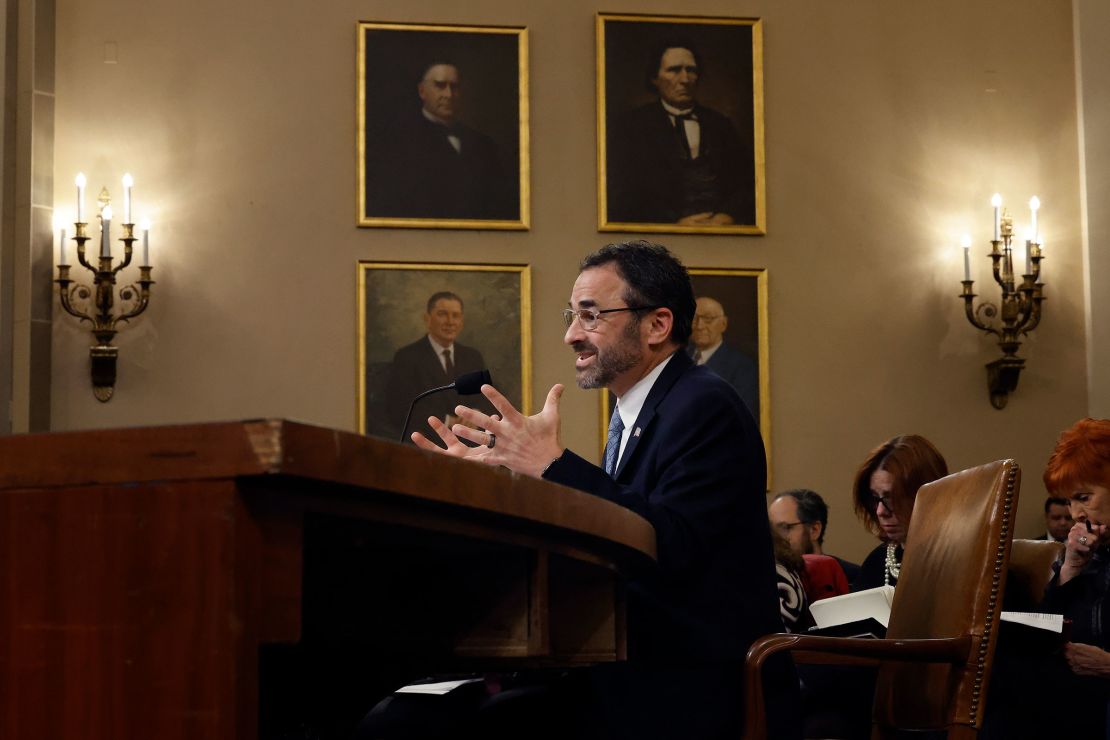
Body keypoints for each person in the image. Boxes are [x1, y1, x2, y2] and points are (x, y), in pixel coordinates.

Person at [406, 240, 798, 739]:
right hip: (634, 664)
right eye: (572, 315)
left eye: (591, 316)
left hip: (690, 685)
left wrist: (550, 464)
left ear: (658, 324)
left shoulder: (703, 406)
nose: (572, 335)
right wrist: (501, 484)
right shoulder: (645, 407)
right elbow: (617, 525)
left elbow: (669, 545)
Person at [982, 418, 1110, 739]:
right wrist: (1071, 570)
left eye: (1084, 497)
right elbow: (1049, 631)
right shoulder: (1088, 555)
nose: (1075, 514)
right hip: (1070, 687)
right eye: (1068, 502)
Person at [607, 41, 754, 226]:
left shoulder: (720, 124)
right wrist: (673, 224)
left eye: (691, 70)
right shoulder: (631, 126)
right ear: (654, 78)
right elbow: (623, 192)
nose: (685, 79)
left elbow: (748, 184)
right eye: (674, 70)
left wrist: (726, 217)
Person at [365, 62, 515, 220]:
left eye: (454, 87)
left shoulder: (483, 144)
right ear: (422, 91)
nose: (449, 94)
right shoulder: (398, 140)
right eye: (440, 85)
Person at [384, 291, 493, 443]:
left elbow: (487, 398)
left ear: (461, 321)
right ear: (427, 319)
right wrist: (447, 421)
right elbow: (401, 407)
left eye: (456, 316)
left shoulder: (473, 357)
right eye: (442, 314)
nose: (450, 322)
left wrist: (476, 414)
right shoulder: (407, 357)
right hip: (426, 444)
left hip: (470, 446)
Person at [850, 434, 949, 591]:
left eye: (892, 498)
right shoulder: (876, 562)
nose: (880, 511)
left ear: (928, 495)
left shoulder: (966, 558)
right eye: (876, 498)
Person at [769, 488, 861, 587]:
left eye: (785, 528)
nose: (776, 538)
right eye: (772, 531)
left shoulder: (855, 579)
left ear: (814, 530)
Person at [687, 296, 759, 422]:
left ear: (723, 324)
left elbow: (738, 416)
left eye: (708, 319)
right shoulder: (678, 358)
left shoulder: (742, 367)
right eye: (694, 318)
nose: (699, 326)